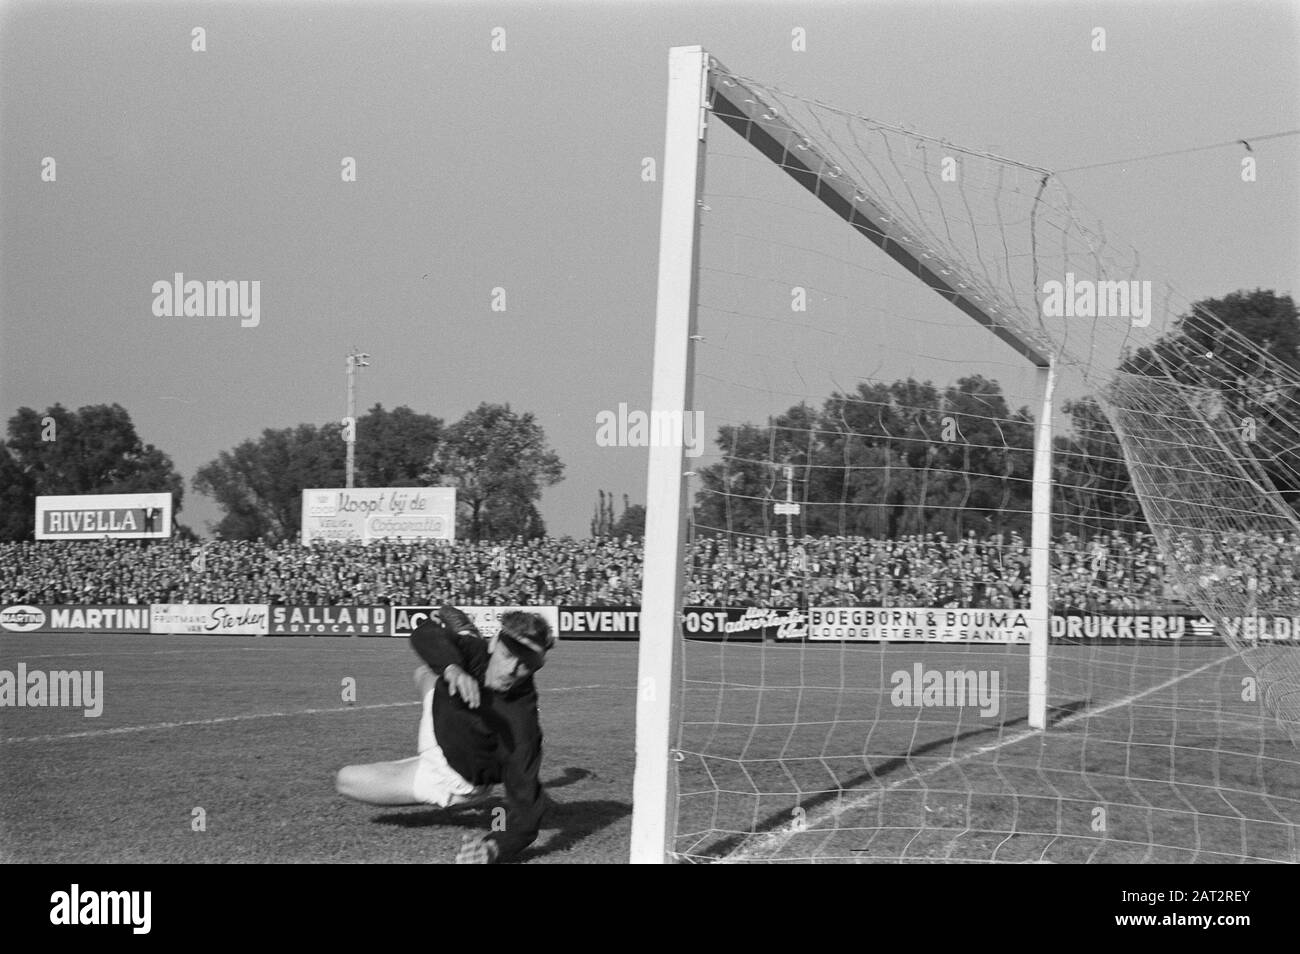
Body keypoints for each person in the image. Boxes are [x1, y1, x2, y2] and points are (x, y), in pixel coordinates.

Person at [335, 604, 556, 864]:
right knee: (430, 671)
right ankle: (464, 637)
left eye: (526, 665)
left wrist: (494, 847)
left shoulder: (522, 724)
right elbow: (423, 632)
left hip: (448, 773)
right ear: (495, 641)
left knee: (345, 780)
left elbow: (527, 818)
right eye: (508, 654)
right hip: (444, 716)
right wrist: (452, 668)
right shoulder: (478, 655)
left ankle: (464, 634)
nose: (511, 670)